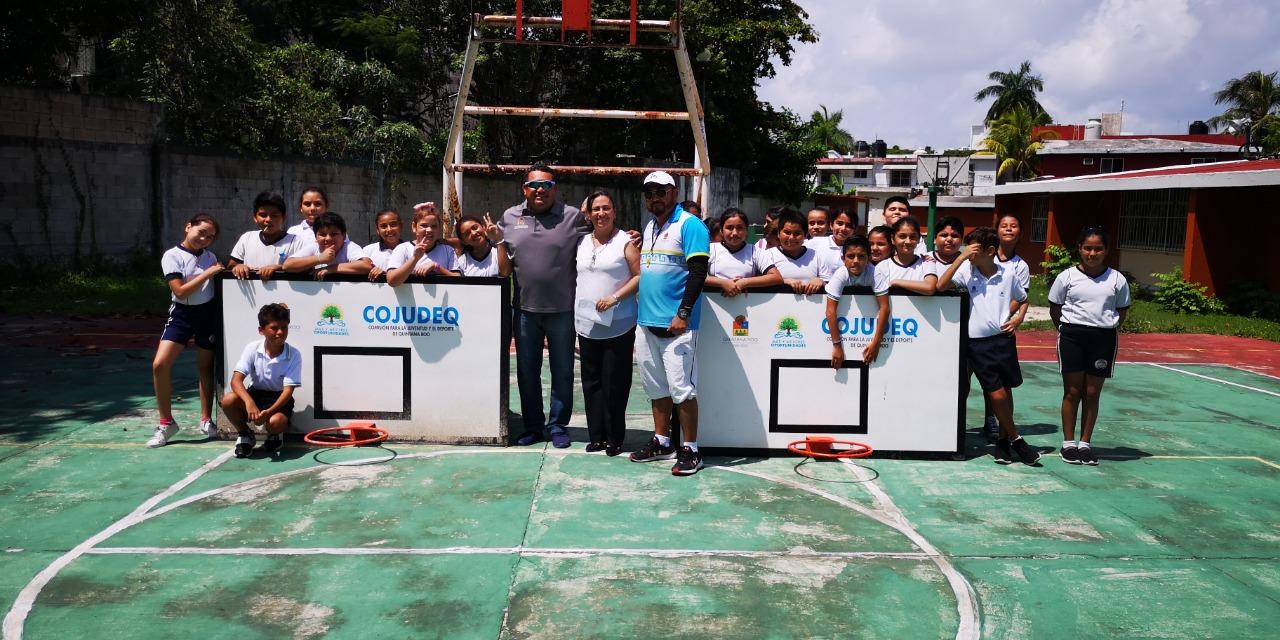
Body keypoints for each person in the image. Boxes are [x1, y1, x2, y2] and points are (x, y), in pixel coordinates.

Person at [501, 163, 591, 448]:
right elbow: (499, 254)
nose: (541, 190)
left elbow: (601, 237)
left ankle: (557, 425)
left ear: (555, 188)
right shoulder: (510, 217)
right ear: (524, 189)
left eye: (547, 185)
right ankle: (533, 426)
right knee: (527, 372)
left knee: (563, 371)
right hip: (525, 310)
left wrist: (630, 238)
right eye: (534, 186)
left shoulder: (573, 217)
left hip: (563, 311)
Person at [935, 228, 1040, 465]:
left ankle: (1003, 442)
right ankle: (1017, 439)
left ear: (990, 251)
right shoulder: (966, 271)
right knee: (996, 393)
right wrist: (961, 258)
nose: (968, 252)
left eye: (973, 249)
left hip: (1003, 340)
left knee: (1007, 390)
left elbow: (1023, 298)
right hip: (977, 344)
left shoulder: (1009, 273)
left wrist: (1019, 318)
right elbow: (941, 286)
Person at [630, 171, 711, 476]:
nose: (655, 198)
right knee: (656, 388)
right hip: (647, 322)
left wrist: (684, 312)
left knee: (683, 390)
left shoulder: (689, 224)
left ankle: (690, 449)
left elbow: (698, 272)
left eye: (661, 192)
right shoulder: (651, 226)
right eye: (649, 193)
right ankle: (663, 441)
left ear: (673, 193)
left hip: (678, 325)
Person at [1049, 227, 1130, 466]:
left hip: (1103, 339)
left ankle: (1085, 444)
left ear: (1106, 251)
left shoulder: (1117, 279)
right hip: (1072, 336)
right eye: (1088, 248)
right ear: (1079, 249)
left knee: (1092, 393)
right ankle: (1068, 444)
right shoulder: (1067, 277)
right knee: (1073, 392)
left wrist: (1105, 328)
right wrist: (1067, 330)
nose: (1092, 253)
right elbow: (1056, 308)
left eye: (1098, 249)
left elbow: (1121, 311)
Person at [575, 191, 641, 456]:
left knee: (615, 382)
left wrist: (615, 297)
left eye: (606, 208)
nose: (601, 213)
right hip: (587, 324)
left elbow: (639, 276)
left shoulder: (626, 241)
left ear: (614, 212)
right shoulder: (581, 241)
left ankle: (615, 438)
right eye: (596, 209)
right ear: (588, 214)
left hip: (619, 324)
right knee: (591, 382)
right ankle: (597, 436)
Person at [149, 213, 223, 447]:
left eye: (210, 237)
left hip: (207, 314)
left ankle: (206, 419)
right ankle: (166, 422)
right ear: (188, 227)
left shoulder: (210, 256)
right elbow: (180, 291)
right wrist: (208, 273)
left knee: (205, 367)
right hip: (182, 314)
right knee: (160, 364)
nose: (204, 239)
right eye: (201, 232)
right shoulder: (172, 255)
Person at [220, 303, 302, 458]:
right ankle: (245, 434)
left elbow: (288, 391)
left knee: (276, 422)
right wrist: (249, 403)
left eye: (284, 328)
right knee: (228, 400)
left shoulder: (294, 354)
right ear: (261, 330)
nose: (280, 332)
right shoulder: (252, 348)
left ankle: (274, 434)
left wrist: (268, 412)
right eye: (274, 328)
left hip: (279, 399)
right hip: (255, 394)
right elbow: (236, 381)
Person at [826, 235, 890, 369]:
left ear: (869, 258)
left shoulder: (875, 273)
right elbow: (830, 311)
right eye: (850, 256)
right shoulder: (840, 274)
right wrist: (837, 346)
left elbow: (884, 308)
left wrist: (876, 342)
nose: (856, 261)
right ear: (843, 259)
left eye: (861, 257)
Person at [227, 191, 306, 281]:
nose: (268, 220)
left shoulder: (295, 241)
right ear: (255, 218)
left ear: (284, 218)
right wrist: (238, 266)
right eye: (263, 215)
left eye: (274, 215)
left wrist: (279, 268)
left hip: (282, 294)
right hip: (251, 294)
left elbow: (305, 269)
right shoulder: (247, 238)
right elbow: (231, 265)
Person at [706, 207, 782, 297]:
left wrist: (744, 282)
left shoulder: (755, 252)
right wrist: (722, 283)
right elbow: (694, 275)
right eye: (729, 228)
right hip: (712, 307)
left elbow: (776, 277)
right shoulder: (709, 249)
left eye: (740, 228)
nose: (734, 233)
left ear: (746, 230)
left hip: (747, 307)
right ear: (721, 231)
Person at [283, 212, 373, 279]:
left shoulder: (349, 247)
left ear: (344, 236)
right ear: (315, 237)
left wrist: (331, 269)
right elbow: (287, 265)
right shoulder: (314, 247)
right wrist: (320, 258)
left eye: (334, 234)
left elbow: (366, 265)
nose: (328, 238)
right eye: (322, 234)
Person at [385, 207, 460, 285]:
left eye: (434, 226)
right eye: (424, 226)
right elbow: (391, 281)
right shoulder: (403, 249)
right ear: (414, 227)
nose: (429, 230)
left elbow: (459, 281)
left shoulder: (447, 250)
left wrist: (436, 267)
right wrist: (414, 258)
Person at [874, 216, 937, 295]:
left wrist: (897, 282)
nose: (907, 241)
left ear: (919, 239)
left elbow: (930, 288)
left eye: (913, 237)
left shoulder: (927, 262)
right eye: (902, 236)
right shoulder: (883, 266)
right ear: (893, 239)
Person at [807, 208, 857, 272]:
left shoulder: (857, 249)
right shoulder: (815, 243)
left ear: (855, 229)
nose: (843, 228)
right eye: (840, 223)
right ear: (831, 225)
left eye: (849, 225)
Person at [363, 209, 404, 281]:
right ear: (378, 230)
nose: (389, 229)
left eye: (393, 225)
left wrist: (385, 274)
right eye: (383, 226)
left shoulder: (411, 250)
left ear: (401, 226)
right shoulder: (368, 251)